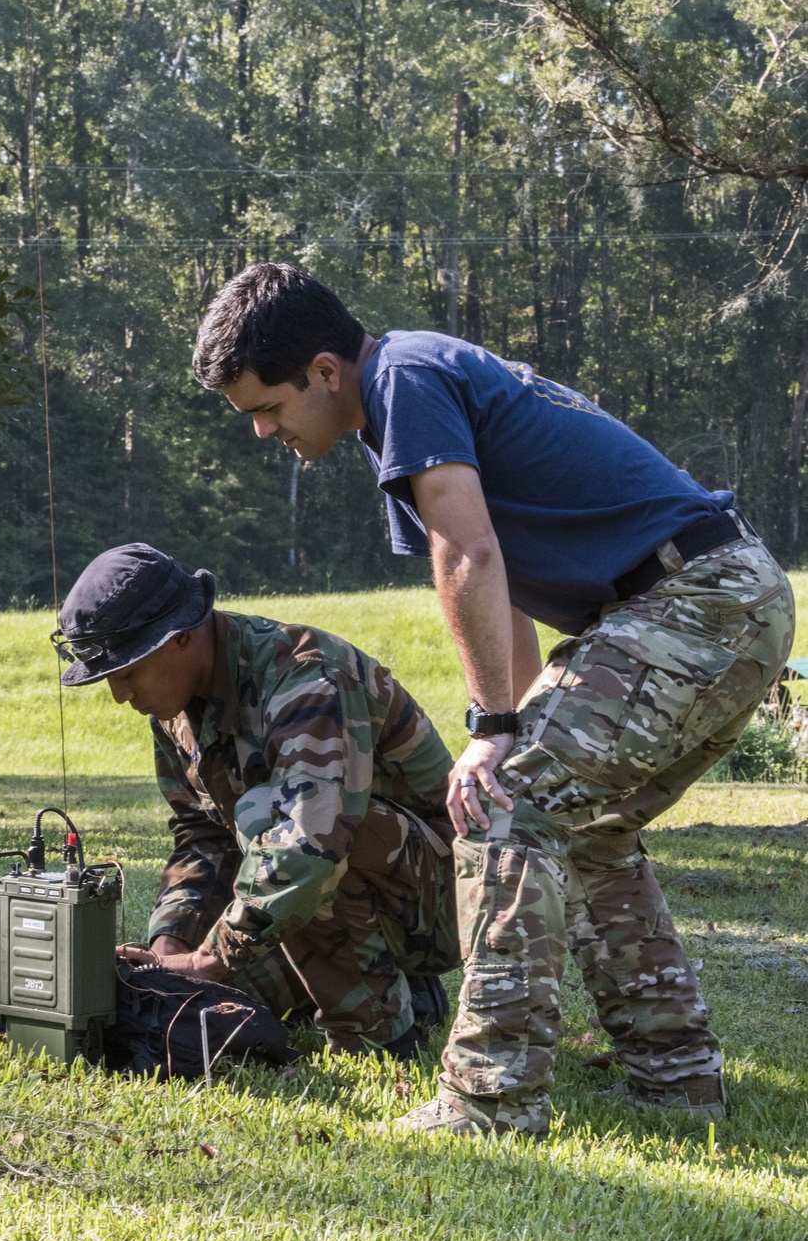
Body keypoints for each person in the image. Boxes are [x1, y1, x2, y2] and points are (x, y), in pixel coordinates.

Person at [191, 261, 796, 1138]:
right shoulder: (401, 395)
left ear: (324, 371)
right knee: (581, 824)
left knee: (506, 811)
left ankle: (490, 1099)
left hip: (694, 598)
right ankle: (676, 1080)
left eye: (268, 406)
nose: (260, 430)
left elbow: (467, 553)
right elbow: (500, 584)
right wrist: (504, 726)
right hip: (712, 600)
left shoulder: (403, 378)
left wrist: (494, 732)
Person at [53, 541, 461, 1057]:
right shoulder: (173, 707)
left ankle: (381, 1034)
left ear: (178, 638)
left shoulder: (304, 678)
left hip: (443, 900)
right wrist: (171, 950)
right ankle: (400, 983)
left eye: (127, 673)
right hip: (337, 891)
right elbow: (200, 835)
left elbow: (309, 844)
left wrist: (210, 959)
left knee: (268, 819)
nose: (120, 695)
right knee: (196, 1010)